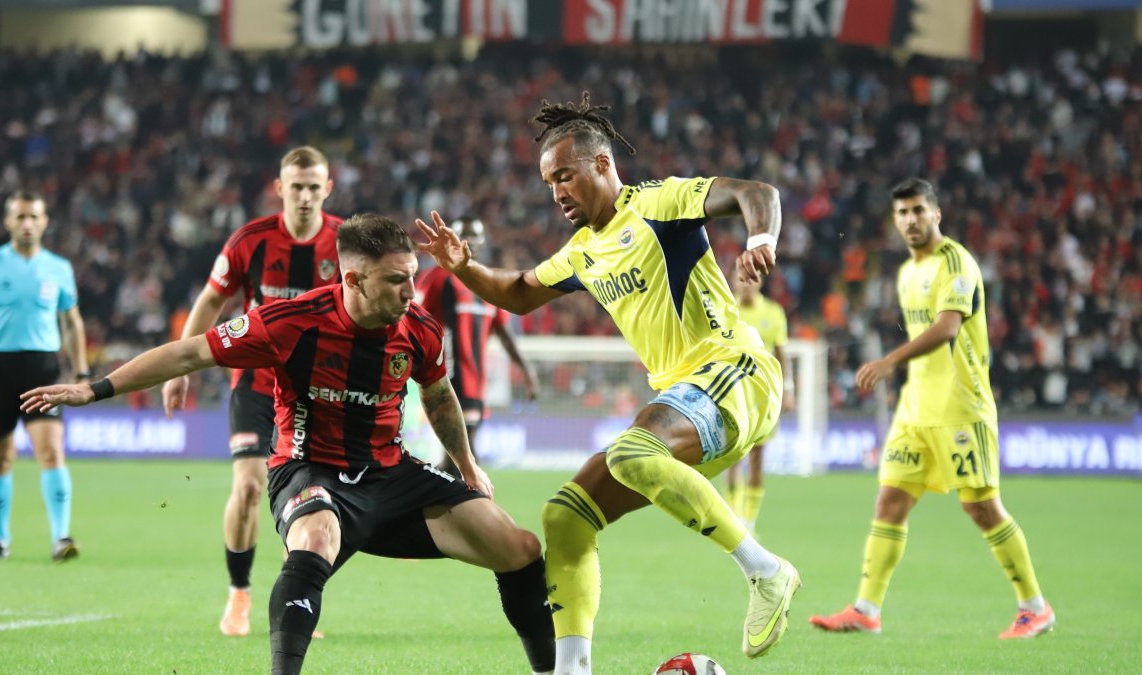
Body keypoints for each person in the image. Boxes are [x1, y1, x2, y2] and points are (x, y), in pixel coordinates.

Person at [23, 214, 556, 675]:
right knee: (316, 536)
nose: (410, 293)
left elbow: (439, 396)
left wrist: (466, 463)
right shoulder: (290, 321)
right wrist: (93, 389)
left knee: (521, 550)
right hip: (309, 470)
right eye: (396, 281)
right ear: (353, 278)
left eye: (412, 278)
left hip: (391, 474)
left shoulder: (418, 327)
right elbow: (189, 354)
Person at [416, 93, 800, 672]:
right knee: (564, 518)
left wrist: (760, 240)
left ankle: (766, 571)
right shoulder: (582, 252)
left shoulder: (659, 202)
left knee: (629, 453)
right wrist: (464, 266)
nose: (557, 194)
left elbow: (758, 193)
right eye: (549, 184)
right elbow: (519, 292)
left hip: (735, 371)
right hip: (687, 404)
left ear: (601, 165)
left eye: (564, 177)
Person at [808, 178, 1054, 639]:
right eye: (902, 213)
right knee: (890, 502)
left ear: (936, 214)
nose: (910, 220)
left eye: (919, 210)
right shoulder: (906, 272)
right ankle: (866, 609)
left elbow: (945, 329)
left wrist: (888, 362)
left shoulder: (955, 262)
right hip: (915, 411)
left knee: (982, 508)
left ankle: (1035, 606)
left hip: (961, 408)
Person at [161, 146, 344, 636]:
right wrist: (183, 368)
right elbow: (210, 301)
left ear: (327, 189)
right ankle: (238, 595)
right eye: (296, 187)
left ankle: (296, 600)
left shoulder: (346, 243)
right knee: (247, 486)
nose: (305, 196)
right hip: (257, 383)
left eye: (314, 187)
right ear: (279, 188)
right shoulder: (251, 241)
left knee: (310, 498)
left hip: (318, 391)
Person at [0, 191, 88, 562]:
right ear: (8, 221)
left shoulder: (58, 268)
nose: (27, 224)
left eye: (34, 217)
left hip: (43, 368)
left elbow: (71, 324)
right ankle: (0, 540)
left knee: (52, 452)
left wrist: (83, 372)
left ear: (45, 222)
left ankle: (62, 537)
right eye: (20, 217)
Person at [415, 215, 539, 474]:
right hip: (445, 381)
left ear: (483, 243)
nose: (469, 241)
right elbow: (412, 318)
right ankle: (481, 507)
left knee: (458, 460)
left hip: (477, 385)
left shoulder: (488, 282)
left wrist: (527, 371)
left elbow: (504, 332)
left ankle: (438, 504)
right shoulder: (437, 278)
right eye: (463, 235)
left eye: (475, 236)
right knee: (466, 457)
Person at [723, 277, 794, 534]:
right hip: (731, 392)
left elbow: (781, 354)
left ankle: (749, 520)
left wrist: (788, 390)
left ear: (760, 281)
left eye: (749, 279)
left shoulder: (773, 312)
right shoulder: (726, 307)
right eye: (740, 279)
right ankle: (733, 516)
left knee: (756, 458)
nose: (745, 284)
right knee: (731, 455)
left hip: (763, 394)